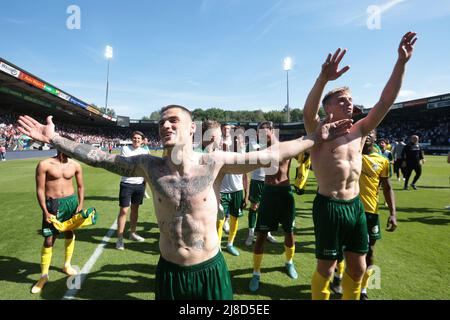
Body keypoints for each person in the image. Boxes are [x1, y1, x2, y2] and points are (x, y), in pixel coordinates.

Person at [18, 105, 351, 300]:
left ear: (192, 129)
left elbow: (270, 153)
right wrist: (56, 138)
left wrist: (313, 137)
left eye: (173, 120)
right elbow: (101, 158)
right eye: (162, 121)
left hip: (210, 271)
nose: (165, 124)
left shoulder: (215, 161)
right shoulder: (149, 165)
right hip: (170, 273)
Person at [302, 31, 416, 300]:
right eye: (342, 99)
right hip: (329, 205)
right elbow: (307, 111)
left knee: (358, 267)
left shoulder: (360, 130)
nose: (349, 103)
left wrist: (401, 63)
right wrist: (323, 80)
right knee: (327, 269)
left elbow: (386, 100)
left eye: (350, 100)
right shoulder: (318, 131)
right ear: (328, 107)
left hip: (356, 206)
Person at [330, 130, 397, 299]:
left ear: (375, 138)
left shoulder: (382, 161)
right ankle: (337, 278)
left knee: (370, 252)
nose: (368, 135)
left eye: (371, 133)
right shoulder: (349, 155)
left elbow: (388, 188)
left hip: (370, 212)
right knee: (341, 248)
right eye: (365, 132)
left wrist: (393, 213)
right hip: (347, 208)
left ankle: (363, 289)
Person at [249, 122, 300, 292]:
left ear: (272, 131)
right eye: (259, 134)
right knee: (261, 234)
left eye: (264, 133)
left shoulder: (287, 148)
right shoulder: (261, 152)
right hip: (268, 192)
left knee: (289, 232)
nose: (261, 136)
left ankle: (289, 263)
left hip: (285, 193)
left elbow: (307, 150)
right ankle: (256, 273)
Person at [31, 149, 84, 294]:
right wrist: (45, 211)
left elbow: (80, 186)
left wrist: (80, 204)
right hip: (53, 205)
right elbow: (40, 190)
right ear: (61, 148)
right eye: (69, 148)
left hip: (71, 203)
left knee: (69, 233)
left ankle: (67, 265)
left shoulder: (75, 165)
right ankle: (44, 276)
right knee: (49, 239)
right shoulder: (44, 164)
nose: (73, 150)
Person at [245, 123, 278, 246]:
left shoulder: (275, 145)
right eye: (261, 131)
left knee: (268, 209)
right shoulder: (253, 145)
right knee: (254, 207)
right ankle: (251, 233)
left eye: (266, 130)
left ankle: (267, 233)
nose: (263, 133)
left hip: (270, 181)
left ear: (271, 131)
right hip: (257, 180)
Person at [218, 126, 249, 256]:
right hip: (223, 191)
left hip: (237, 191)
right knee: (219, 220)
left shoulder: (244, 156)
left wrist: (246, 195)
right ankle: (217, 246)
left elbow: (245, 175)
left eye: (240, 139)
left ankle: (230, 244)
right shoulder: (224, 150)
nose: (238, 141)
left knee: (234, 219)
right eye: (236, 138)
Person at [116, 131, 149, 250]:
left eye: (139, 138)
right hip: (126, 184)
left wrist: (145, 185)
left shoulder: (145, 151)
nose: (136, 140)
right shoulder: (125, 149)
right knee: (124, 211)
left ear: (142, 140)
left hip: (139, 185)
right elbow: (128, 164)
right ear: (132, 139)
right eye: (134, 138)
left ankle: (132, 233)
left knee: (135, 210)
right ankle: (119, 238)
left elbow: (145, 169)